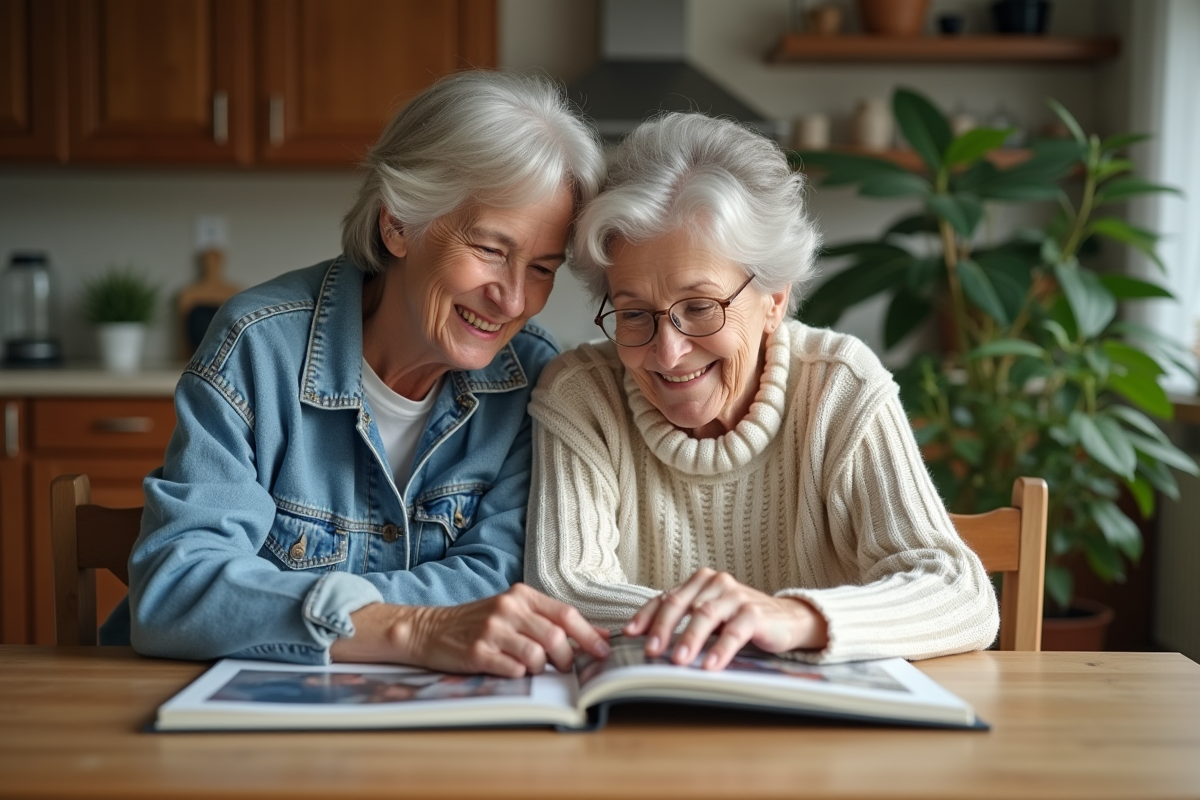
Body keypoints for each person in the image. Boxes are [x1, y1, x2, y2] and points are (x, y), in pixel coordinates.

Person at [101, 71, 611, 678]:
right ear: (397, 224)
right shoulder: (259, 347)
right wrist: (410, 627)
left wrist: (294, 611)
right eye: (492, 250)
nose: (513, 299)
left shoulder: (531, 376)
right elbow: (177, 588)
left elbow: (499, 579)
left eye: (543, 268)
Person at [525, 112, 999, 670]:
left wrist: (791, 619)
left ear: (774, 298)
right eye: (633, 313)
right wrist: (725, 624)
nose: (668, 352)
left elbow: (961, 594)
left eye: (699, 307)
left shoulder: (836, 387)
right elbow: (565, 590)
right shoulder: (583, 397)